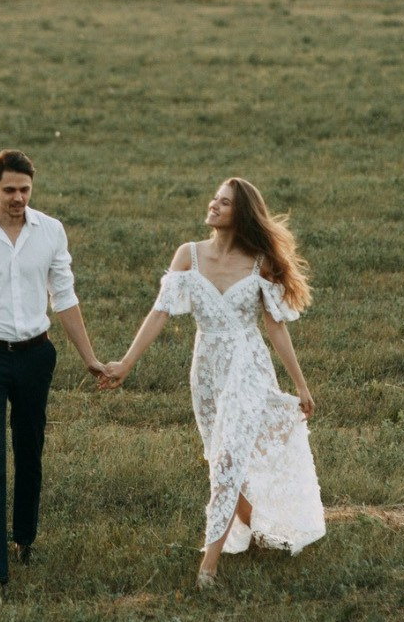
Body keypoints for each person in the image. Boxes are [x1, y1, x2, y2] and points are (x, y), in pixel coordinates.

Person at [100, 177, 325, 589]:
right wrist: (127, 363)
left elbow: (275, 327)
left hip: (247, 366)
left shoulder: (261, 261)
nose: (213, 205)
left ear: (239, 214)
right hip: (207, 371)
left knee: (226, 461)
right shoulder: (189, 255)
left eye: (223, 203)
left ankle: (209, 566)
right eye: (214, 199)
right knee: (219, 456)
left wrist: (301, 385)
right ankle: (256, 527)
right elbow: (160, 313)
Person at [0, 149, 106, 600]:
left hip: (36, 356)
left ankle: (25, 539)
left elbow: (65, 297)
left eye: (25, 190)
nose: (18, 198)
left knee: (30, 453)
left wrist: (89, 357)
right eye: (10, 189)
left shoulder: (50, 231)